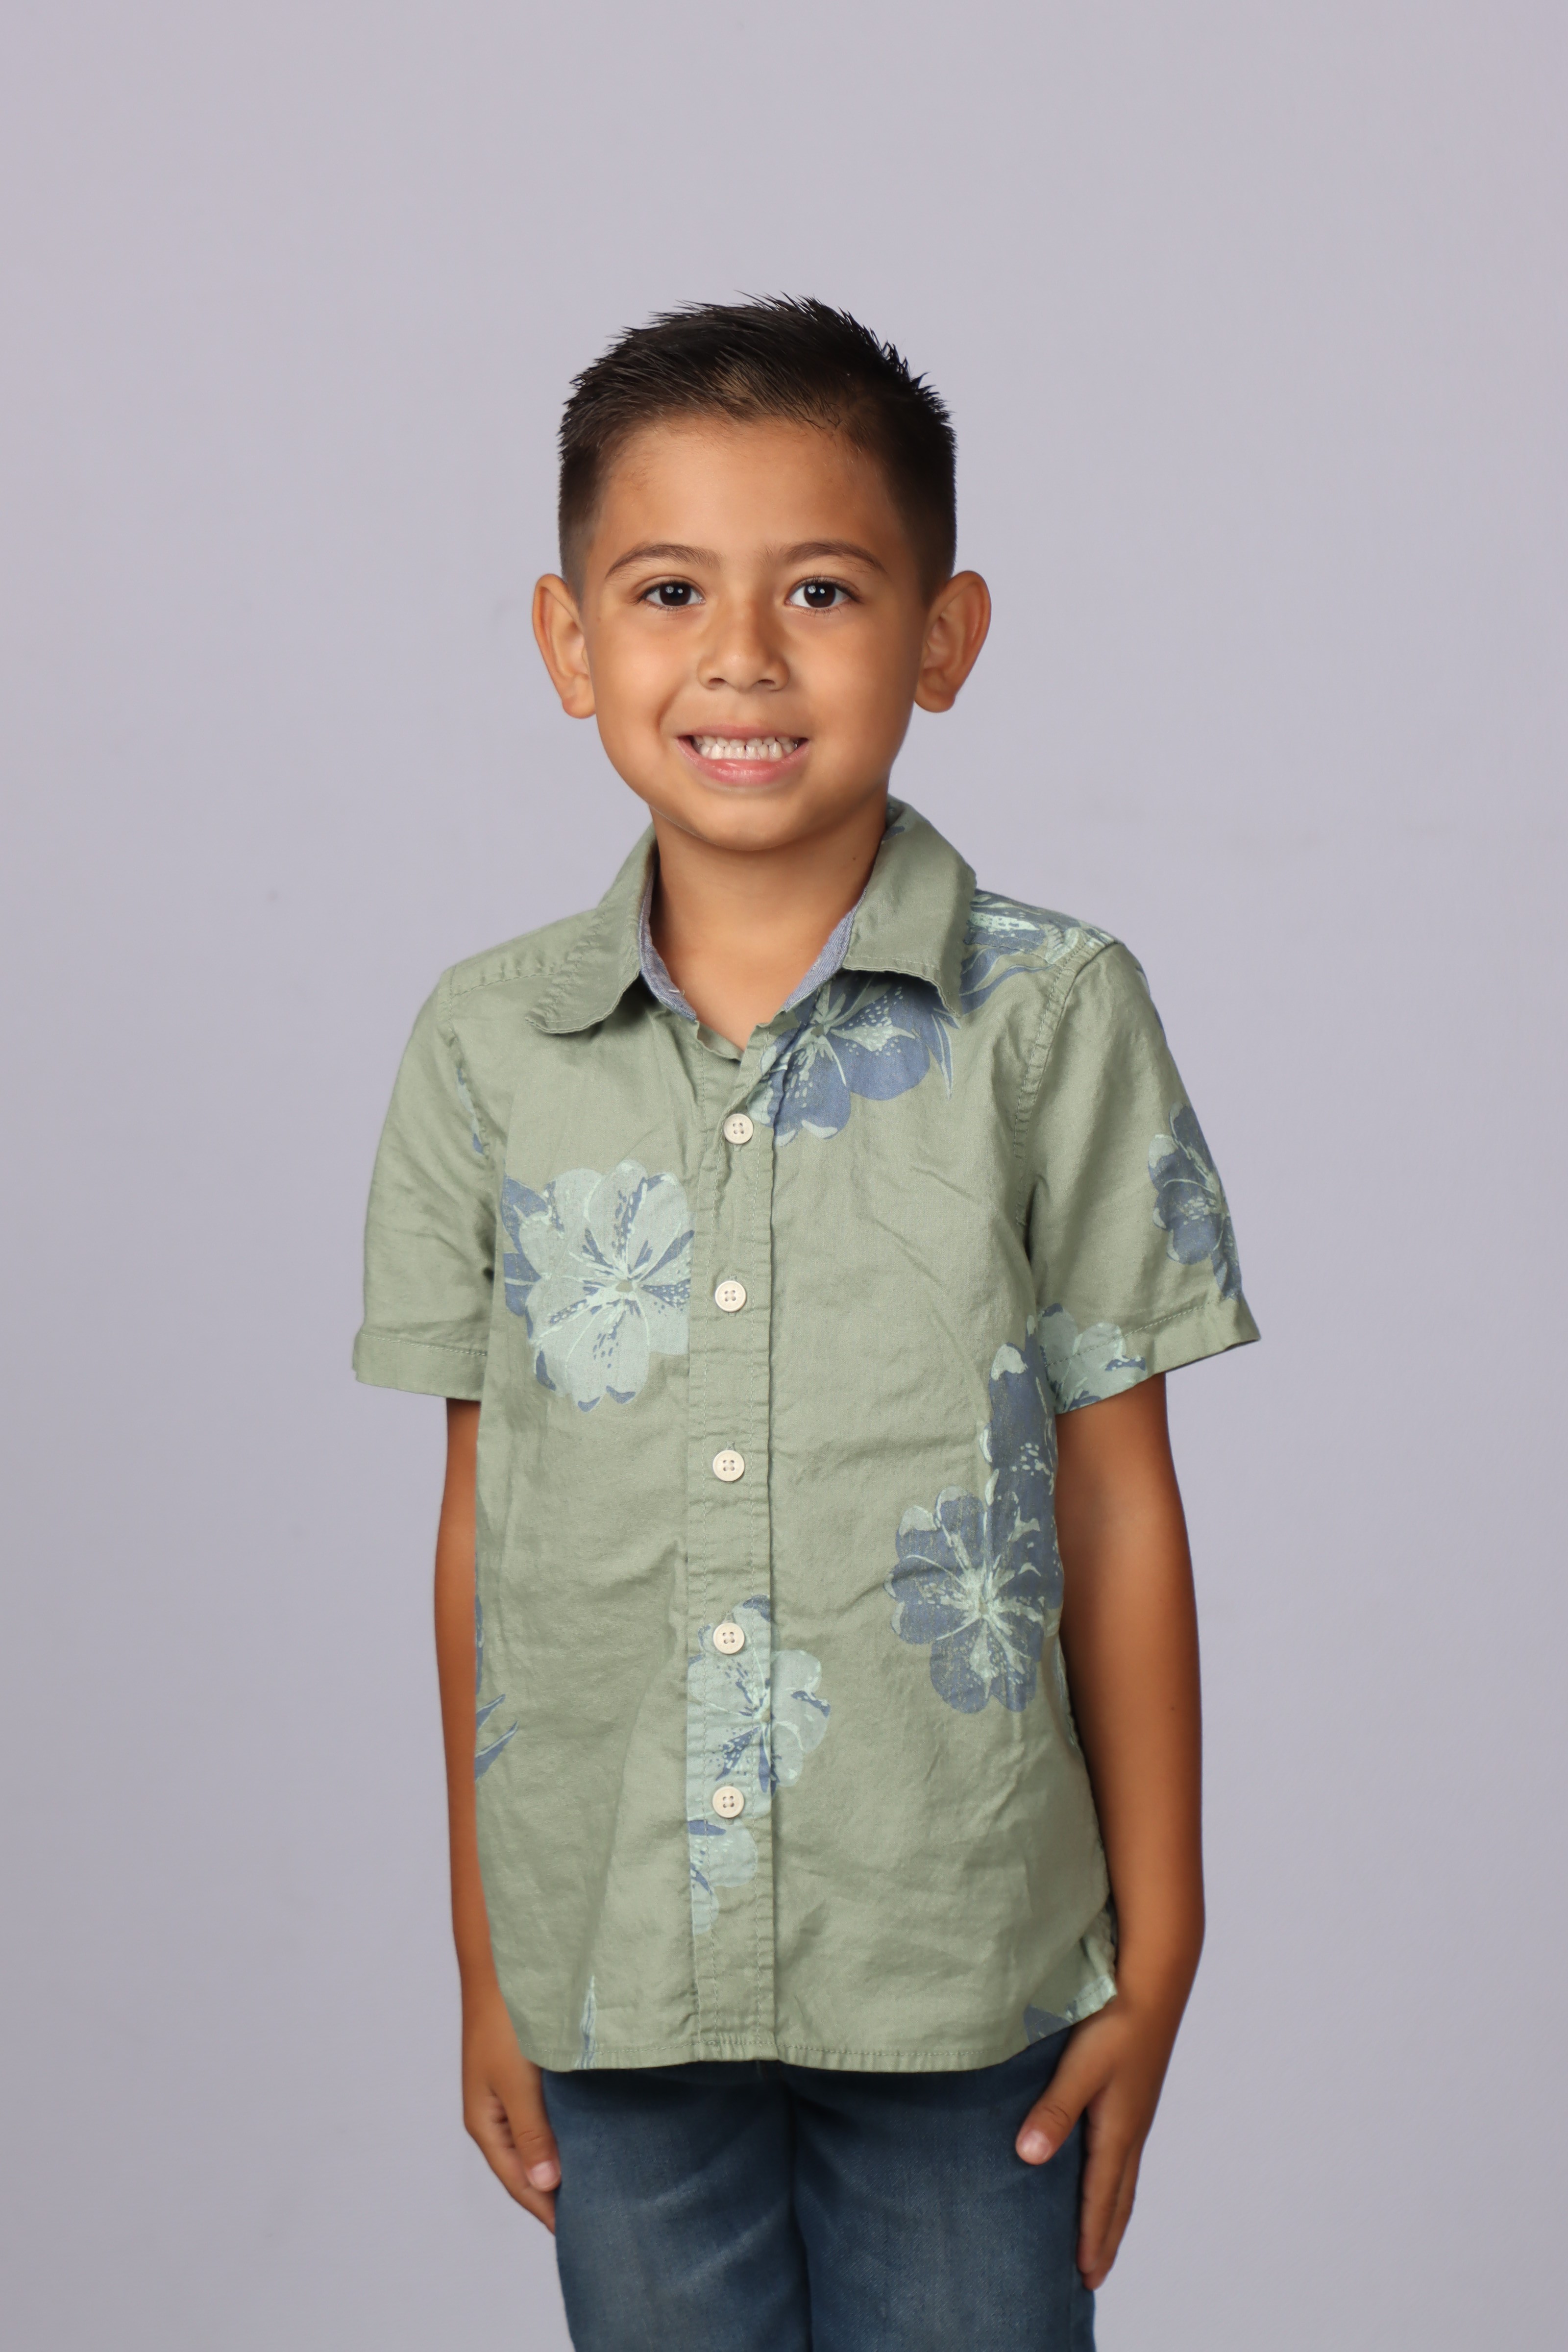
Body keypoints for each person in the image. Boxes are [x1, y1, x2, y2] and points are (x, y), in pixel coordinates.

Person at [354, 297, 1258, 2351]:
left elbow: (1117, 1504)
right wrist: (491, 1960)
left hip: (968, 1967)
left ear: (943, 636)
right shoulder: (488, 1046)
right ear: (569, 640)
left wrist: (1166, 1942)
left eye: (824, 590)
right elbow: (486, 1535)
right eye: (668, 590)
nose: (742, 657)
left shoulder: (1053, 1017)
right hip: (613, 1961)